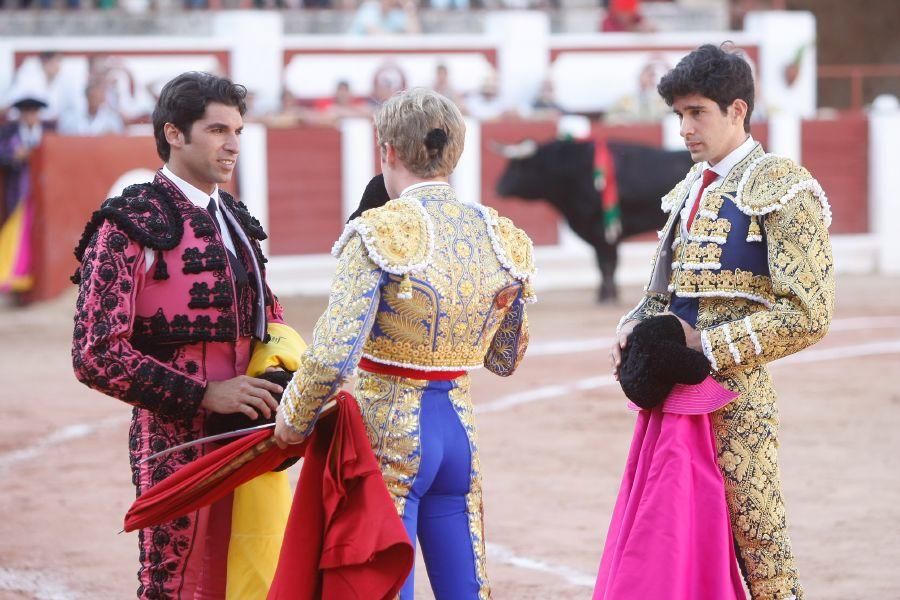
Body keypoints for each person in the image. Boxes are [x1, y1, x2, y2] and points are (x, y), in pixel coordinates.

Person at [273, 87, 536, 600]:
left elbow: (332, 355)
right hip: (458, 425)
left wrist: (294, 418)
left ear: (387, 151)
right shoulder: (502, 235)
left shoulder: (379, 231)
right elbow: (505, 357)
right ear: (455, 154)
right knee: (467, 586)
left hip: (388, 425)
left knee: (382, 580)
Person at [609, 44, 834, 600]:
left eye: (697, 113)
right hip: (674, 398)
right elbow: (668, 295)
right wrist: (634, 327)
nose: (684, 128)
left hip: (738, 402)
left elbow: (811, 313)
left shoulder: (784, 186)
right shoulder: (689, 189)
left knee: (761, 550)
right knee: (675, 541)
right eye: (679, 115)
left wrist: (706, 346)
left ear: (737, 110)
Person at [71, 72, 305, 599]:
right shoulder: (129, 221)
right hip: (174, 439)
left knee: (249, 572)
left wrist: (286, 383)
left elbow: (270, 319)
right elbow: (94, 353)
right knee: (175, 582)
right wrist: (202, 393)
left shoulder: (238, 221)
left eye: (238, 131)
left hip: (249, 432)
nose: (233, 145)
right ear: (174, 134)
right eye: (218, 129)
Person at [0, 95, 50, 298]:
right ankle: (13, 283)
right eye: (27, 112)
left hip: (42, 195)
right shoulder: (9, 132)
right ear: (21, 115)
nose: (31, 116)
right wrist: (13, 156)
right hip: (18, 193)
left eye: (34, 112)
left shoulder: (47, 133)